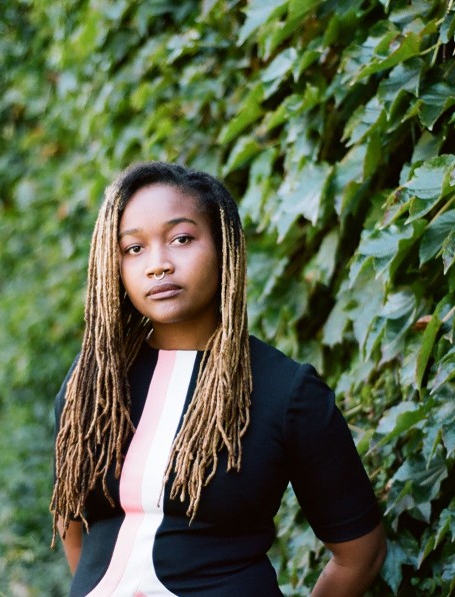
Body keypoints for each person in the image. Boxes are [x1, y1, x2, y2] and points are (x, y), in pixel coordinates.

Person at [50, 162, 386, 596]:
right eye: (133, 248)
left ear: (223, 246)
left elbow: (361, 553)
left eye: (181, 239)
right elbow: (73, 524)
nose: (158, 265)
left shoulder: (287, 391)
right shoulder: (92, 383)